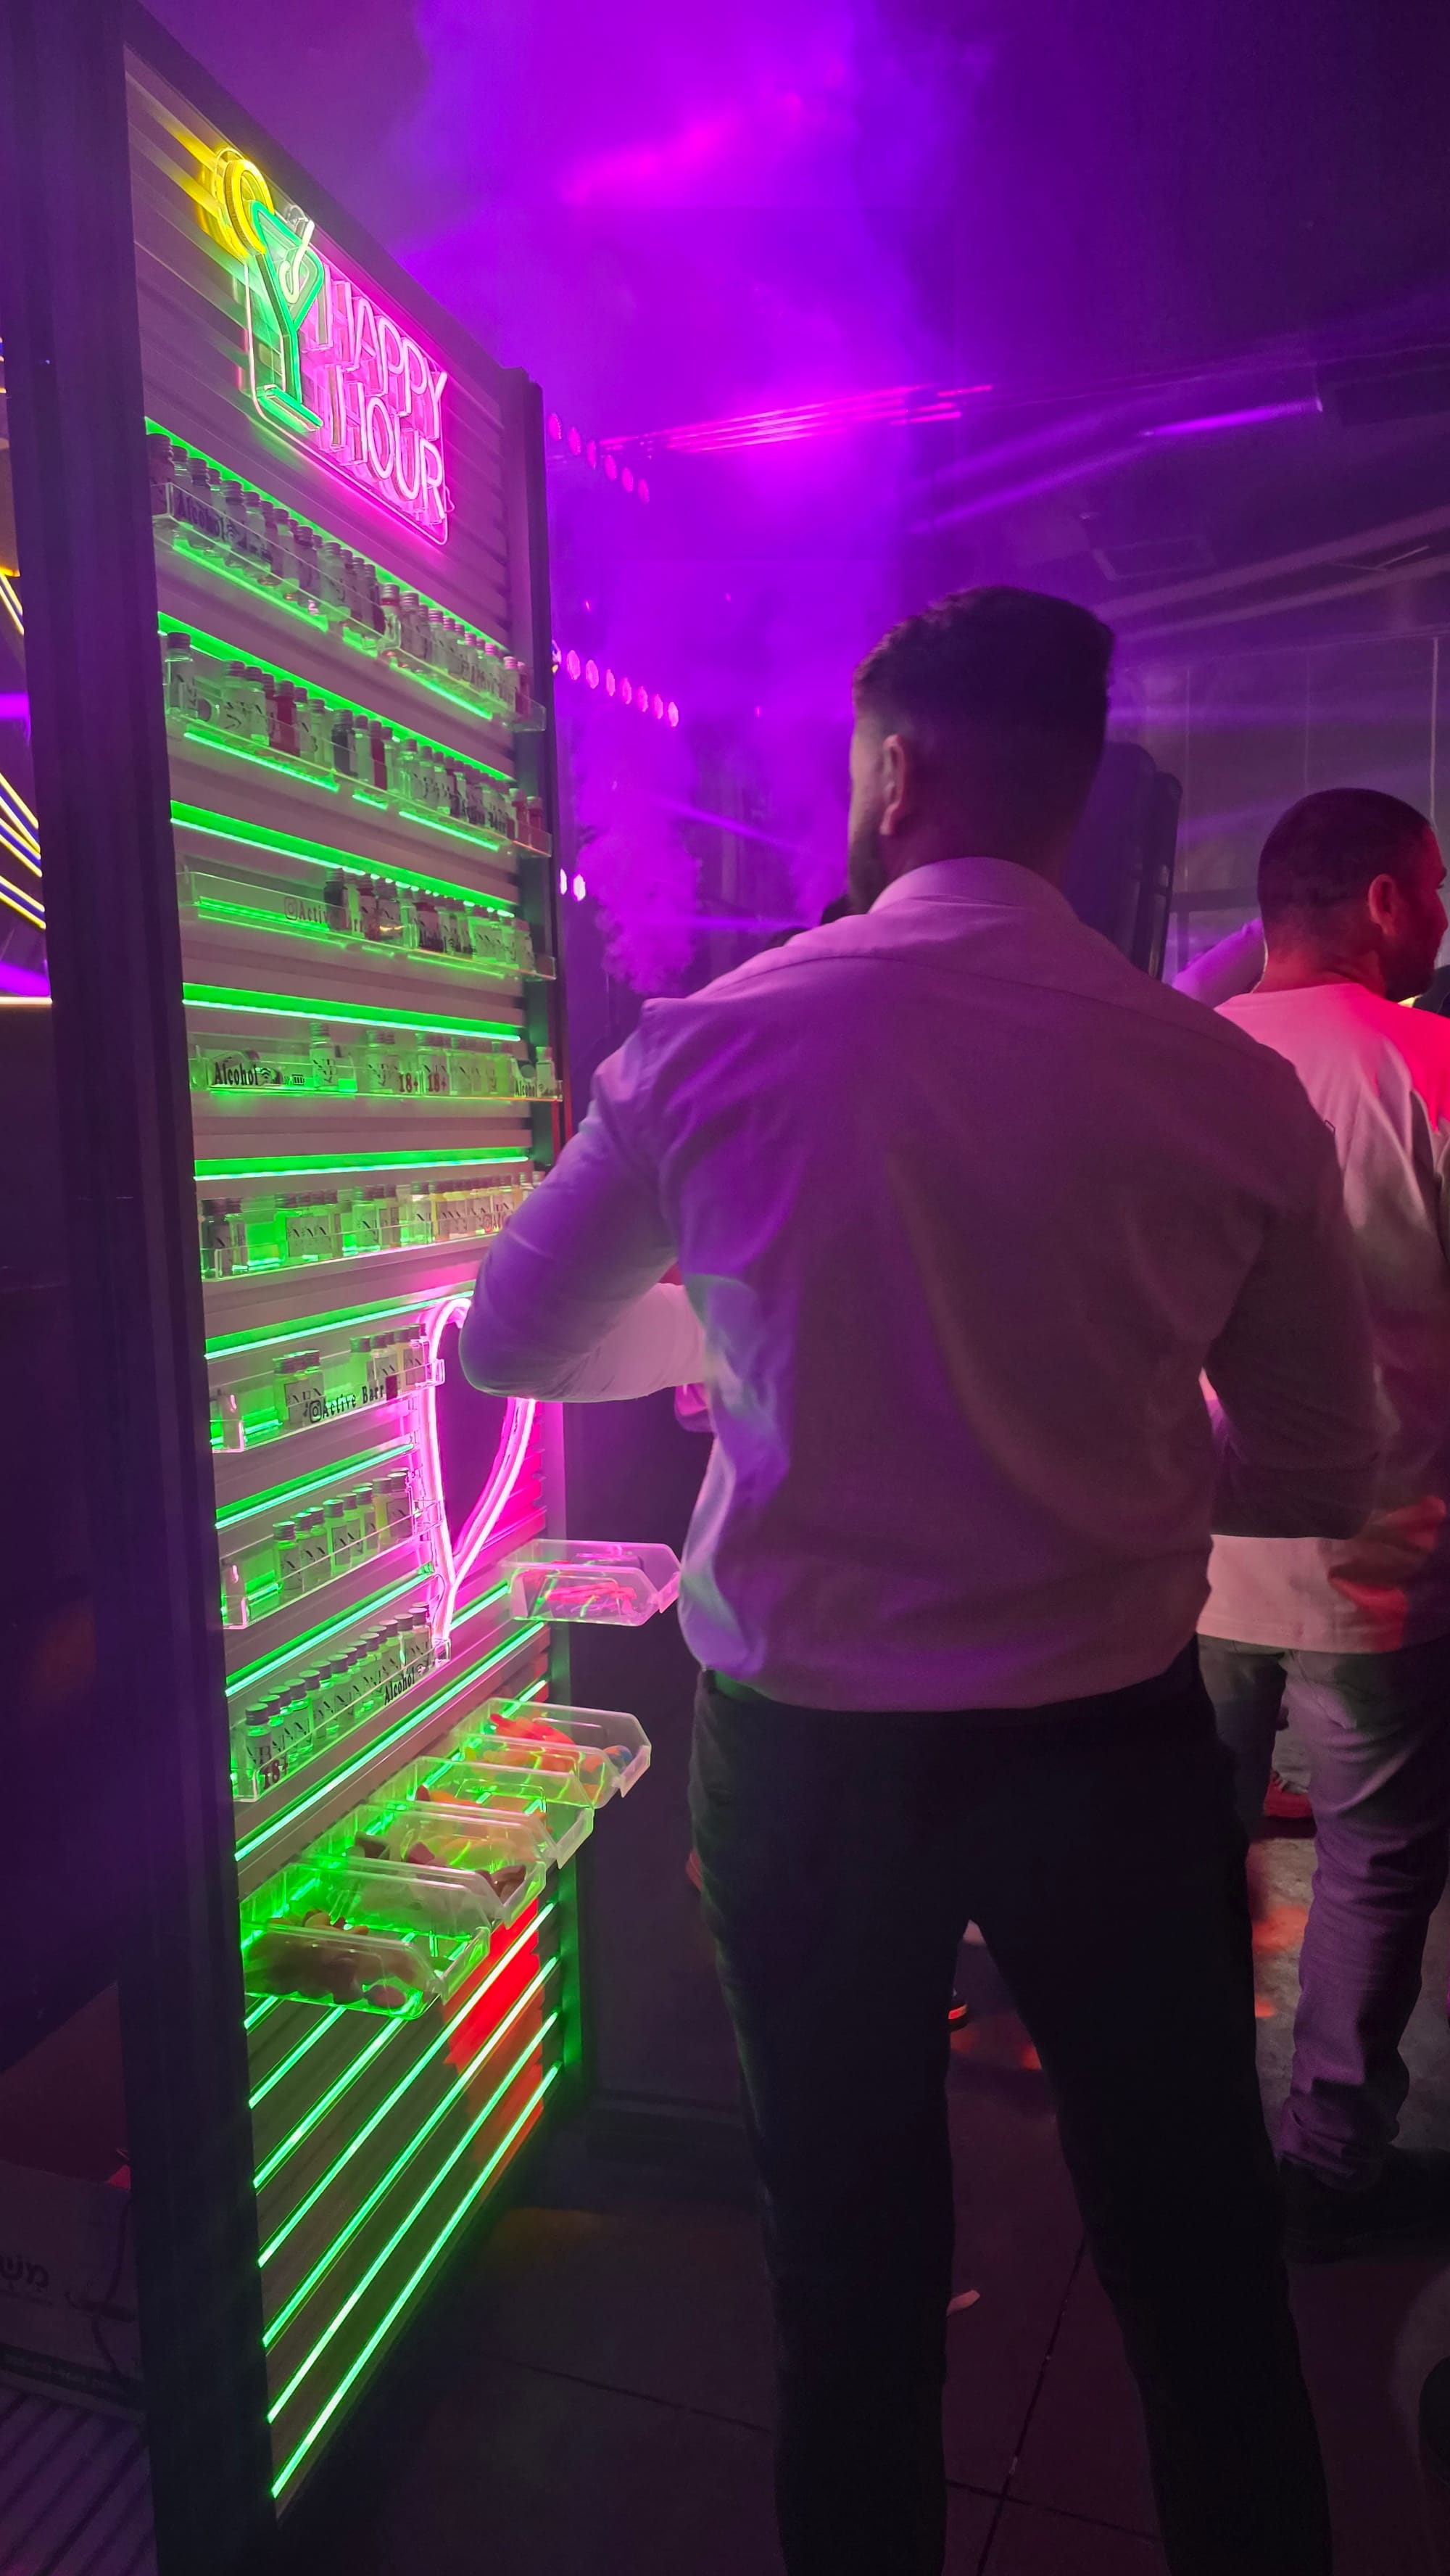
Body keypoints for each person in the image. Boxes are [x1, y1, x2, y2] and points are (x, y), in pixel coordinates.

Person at [460, 586, 1380, 2576]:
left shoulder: (713, 1046)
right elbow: (1322, 1463)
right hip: (1110, 1753)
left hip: (810, 1762)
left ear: (895, 774)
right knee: (1195, 2261)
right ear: (1078, 797)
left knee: (847, 2271)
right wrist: (1103, 1456)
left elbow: (512, 1342)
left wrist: (743, 1337)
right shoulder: (1222, 1082)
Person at [1196, 786, 1450, 2261]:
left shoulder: (1180, 1063)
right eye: (1434, 888)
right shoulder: (1428, 1067)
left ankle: (1178, 2142)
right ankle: (1332, 2162)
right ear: (1382, 901)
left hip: (1187, 1553)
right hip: (1380, 1553)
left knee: (1187, 1850)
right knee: (1376, 1856)